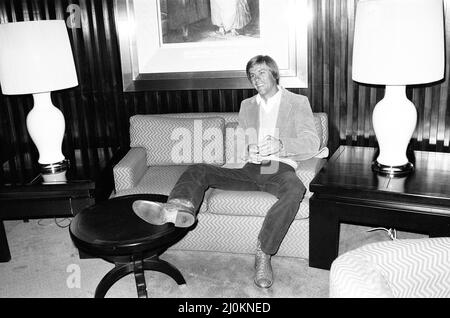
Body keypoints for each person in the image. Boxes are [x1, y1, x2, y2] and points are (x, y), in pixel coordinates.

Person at [132, 55, 320, 288]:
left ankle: (264, 253)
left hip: (279, 167)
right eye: (252, 75)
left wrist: (281, 144)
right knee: (199, 169)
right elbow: (241, 140)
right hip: (251, 168)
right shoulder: (247, 106)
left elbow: (312, 142)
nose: (256, 79)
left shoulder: (297, 102)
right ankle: (177, 208)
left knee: (295, 189)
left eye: (261, 72)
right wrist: (247, 149)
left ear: (274, 74)